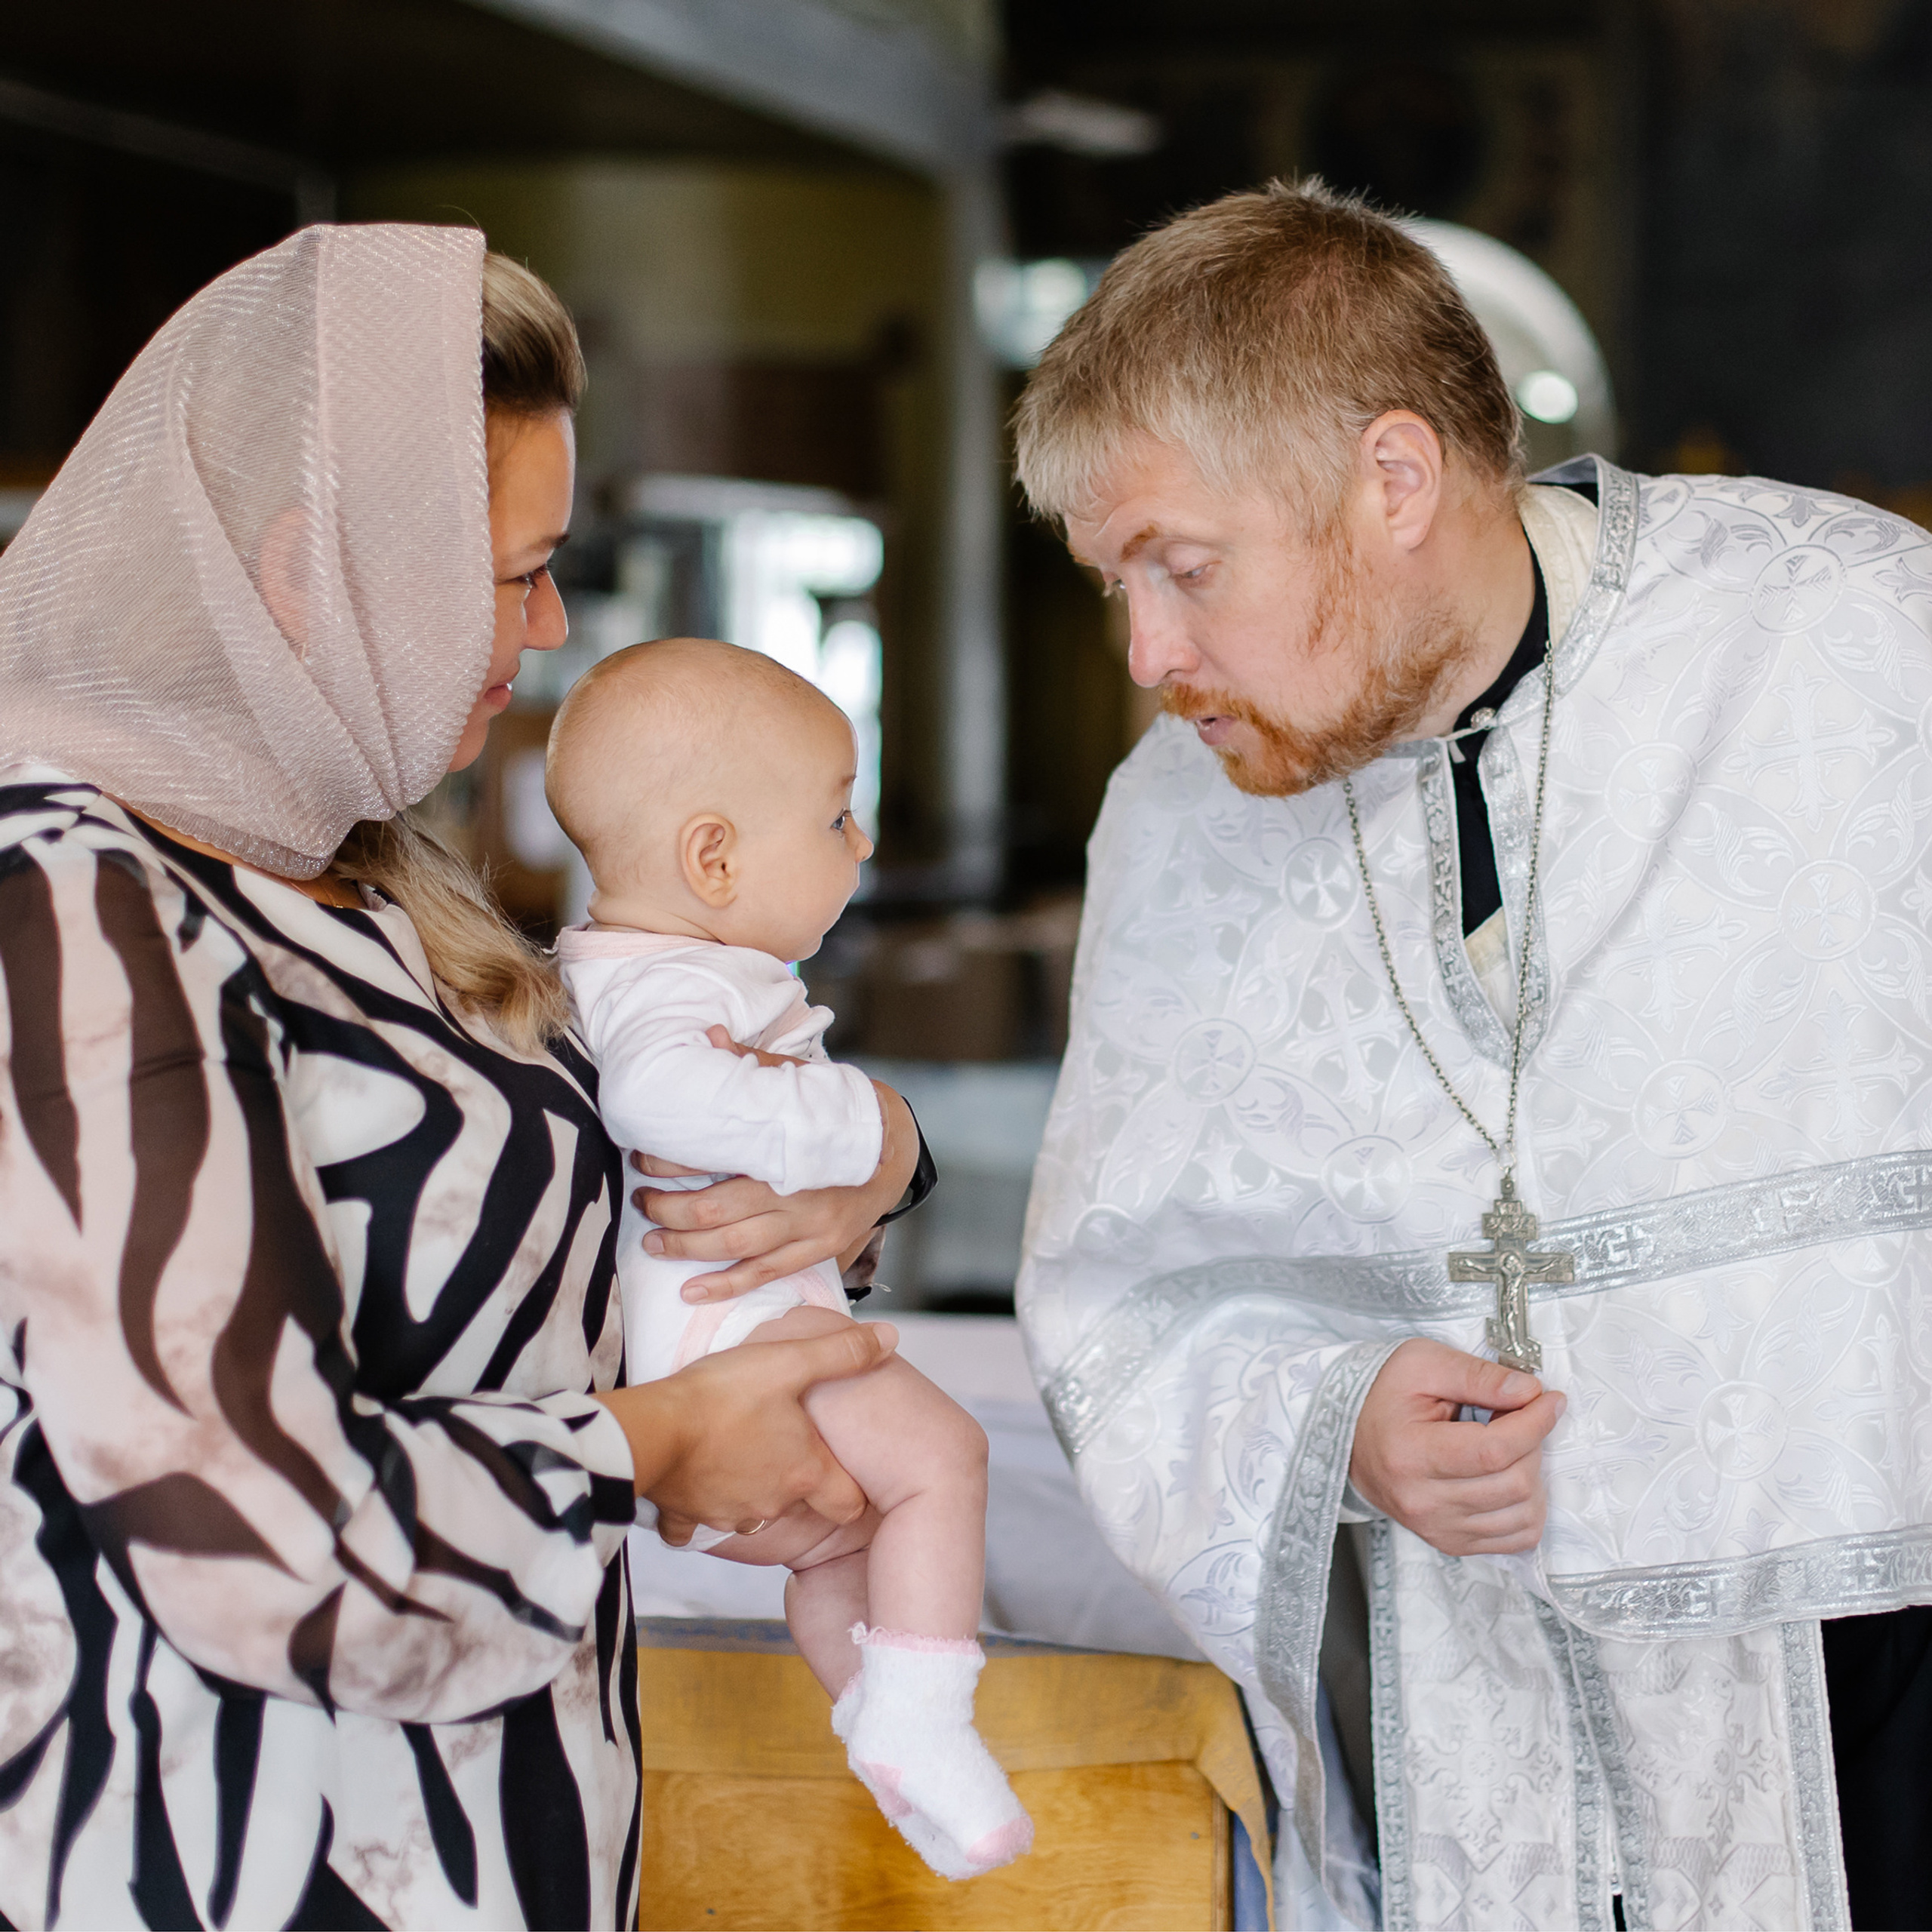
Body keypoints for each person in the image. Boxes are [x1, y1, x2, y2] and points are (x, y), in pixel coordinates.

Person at [1014, 177, 1932, 1931]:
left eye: (1182, 568)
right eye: (1113, 582)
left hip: (1877, 1650)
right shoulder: (1172, 820)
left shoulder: (1855, 639)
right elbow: (1120, 1289)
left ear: (1391, 479)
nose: (1147, 656)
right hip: (1467, 1690)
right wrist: (1335, 1416)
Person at [0, 226, 921, 1931]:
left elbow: (567, 1235)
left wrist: (879, 1164)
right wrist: (648, 1452)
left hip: (510, 1821)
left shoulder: (366, 872)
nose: (555, 621)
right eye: (517, 570)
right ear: (310, 571)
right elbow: (235, 1516)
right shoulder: (70, 898)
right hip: (229, 1846)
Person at [545, 635, 1033, 1880]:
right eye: (837, 816)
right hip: (737, 1349)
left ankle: (884, 1729)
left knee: (846, 1551)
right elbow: (660, 1095)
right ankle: (926, 1717)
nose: (860, 845)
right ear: (714, 857)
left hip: (724, 1349)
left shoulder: (625, 967)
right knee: (947, 1457)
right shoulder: (664, 986)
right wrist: (861, 1122)